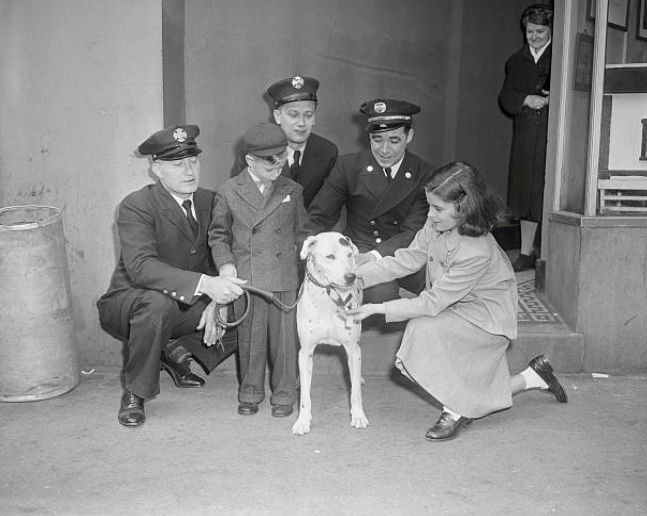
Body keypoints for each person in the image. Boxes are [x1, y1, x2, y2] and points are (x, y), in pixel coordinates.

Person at [346, 161, 567, 442]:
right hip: (457, 306)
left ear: (464, 207)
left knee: (423, 329)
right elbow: (408, 259)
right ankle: (534, 377)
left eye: (438, 209)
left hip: (486, 318)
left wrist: (376, 309)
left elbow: (431, 303)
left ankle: (455, 410)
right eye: (429, 207)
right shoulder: (436, 222)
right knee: (435, 343)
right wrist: (357, 277)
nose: (431, 215)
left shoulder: (476, 250)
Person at [97, 124, 247, 427]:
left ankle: (171, 350)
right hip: (130, 303)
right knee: (157, 305)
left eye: (193, 161)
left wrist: (218, 301)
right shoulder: (137, 205)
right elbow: (141, 267)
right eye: (178, 165)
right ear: (157, 170)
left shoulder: (210, 200)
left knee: (243, 306)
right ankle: (135, 393)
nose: (189, 171)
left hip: (184, 304)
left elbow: (224, 252)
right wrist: (206, 285)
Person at [209, 122, 309, 418]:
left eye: (282, 155)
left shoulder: (293, 190)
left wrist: (312, 254)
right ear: (249, 159)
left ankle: (284, 392)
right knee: (250, 338)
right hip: (247, 276)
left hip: (284, 275)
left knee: (285, 341)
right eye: (269, 159)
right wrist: (226, 266)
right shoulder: (228, 191)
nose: (278, 164)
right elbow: (218, 235)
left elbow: (302, 231)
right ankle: (250, 391)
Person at [308, 98, 433, 303]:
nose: (384, 149)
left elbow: (413, 231)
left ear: (409, 136)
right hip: (359, 250)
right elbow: (320, 216)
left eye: (394, 140)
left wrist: (375, 255)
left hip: (405, 253)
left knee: (437, 281)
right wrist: (310, 249)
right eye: (377, 139)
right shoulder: (348, 166)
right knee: (381, 293)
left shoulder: (424, 173)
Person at [499, 4, 553, 272]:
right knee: (525, 194)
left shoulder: (560, 57)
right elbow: (506, 98)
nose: (533, 36)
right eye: (529, 31)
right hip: (525, 135)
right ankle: (526, 252)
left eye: (539, 31)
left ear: (551, 30)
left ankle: (550, 252)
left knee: (547, 190)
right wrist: (525, 99)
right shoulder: (515, 60)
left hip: (551, 134)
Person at [234, 75, 338, 209]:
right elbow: (244, 203)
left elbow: (328, 207)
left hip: (312, 228)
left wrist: (308, 230)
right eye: (293, 115)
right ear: (277, 116)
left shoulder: (327, 152)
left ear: (314, 117)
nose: (301, 123)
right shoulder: (255, 150)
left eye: (308, 115)